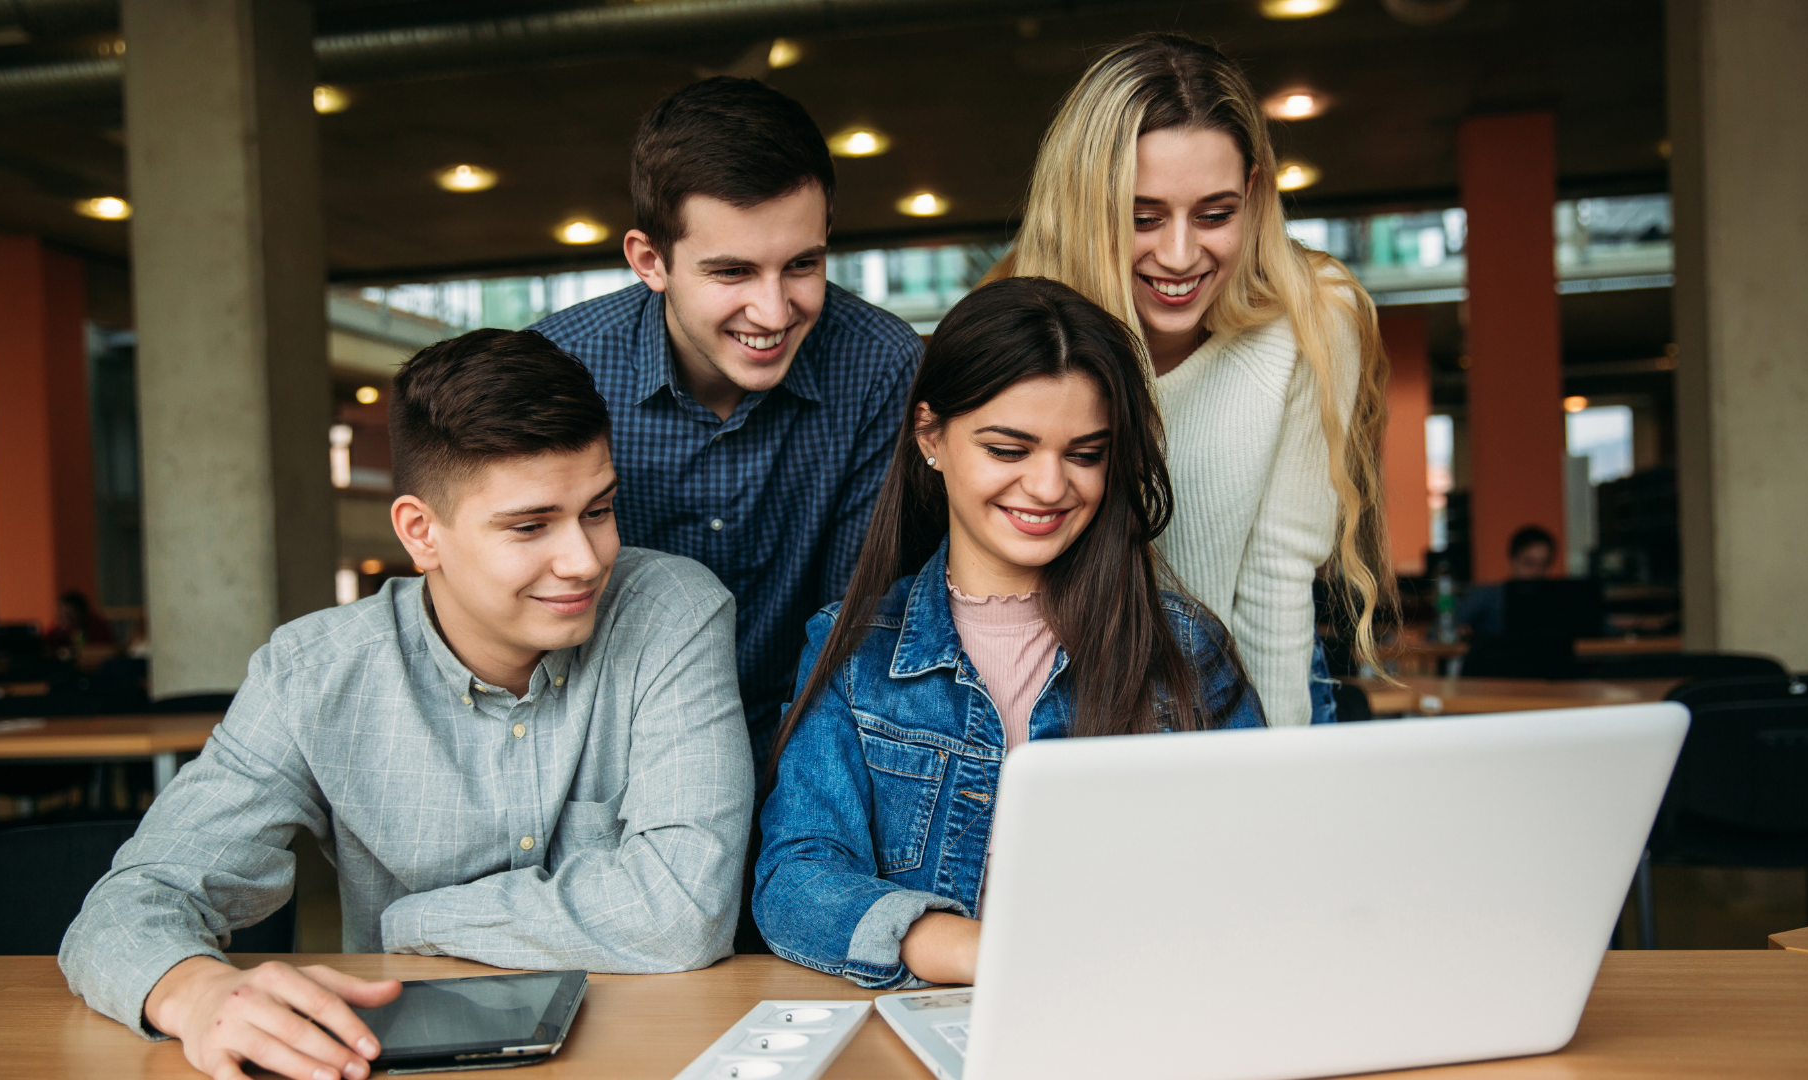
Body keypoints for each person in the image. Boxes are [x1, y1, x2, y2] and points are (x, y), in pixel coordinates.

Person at [60, 329, 753, 1080]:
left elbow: (684, 909)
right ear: (421, 533)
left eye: (598, 509)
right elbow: (134, 901)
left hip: (644, 1055)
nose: (585, 560)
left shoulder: (672, 612)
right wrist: (194, 992)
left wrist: (413, 919)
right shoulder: (313, 672)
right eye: (530, 526)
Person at [754, 278, 1262, 990]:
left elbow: (1260, 869)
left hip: (1142, 1010)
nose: (1050, 487)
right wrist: (969, 948)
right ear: (931, 436)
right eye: (1008, 449)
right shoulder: (854, 649)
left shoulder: (1184, 648)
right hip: (943, 1019)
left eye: (1084, 454)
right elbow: (795, 879)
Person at [984, 33, 1393, 725]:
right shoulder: (1026, 325)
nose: (1179, 256)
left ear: (1253, 194)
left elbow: (1277, 584)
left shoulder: (1314, 315)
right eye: (1142, 218)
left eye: (1215, 214)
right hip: (1074, 698)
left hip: (1255, 692)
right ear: (1085, 204)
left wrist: (1271, 772)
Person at [530, 77, 922, 767]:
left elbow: (857, 627)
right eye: (733, 272)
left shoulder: (881, 365)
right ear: (650, 261)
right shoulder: (556, 367)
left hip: (806, 749)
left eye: (802, 265)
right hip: (603, 756)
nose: (773, 311)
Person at [1458, 524, 1558, 641]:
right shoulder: (1488, 596)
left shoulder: (1556, 600)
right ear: (1513, 561)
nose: (1537, 571)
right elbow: (1451, 626)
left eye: (1544, 564)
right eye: (1529, 563)